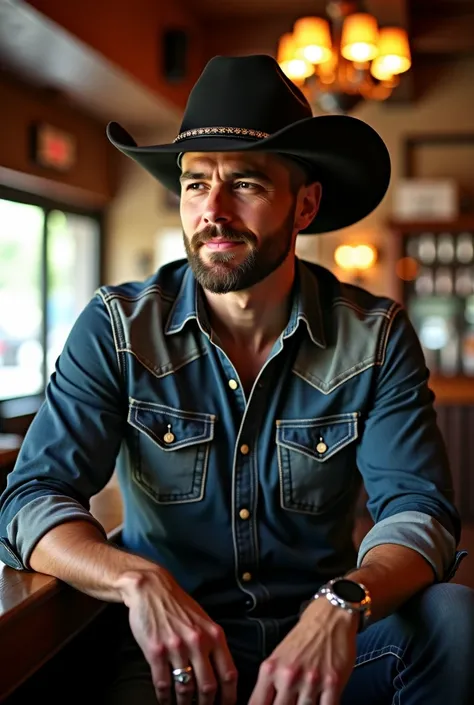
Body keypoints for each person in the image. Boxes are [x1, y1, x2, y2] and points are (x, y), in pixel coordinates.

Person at [0, 53, 472, 705]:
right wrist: (140, 582)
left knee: (454, 619)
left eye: (244, 183)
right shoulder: (117, 327)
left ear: (304, 205)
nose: (212, 211)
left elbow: (421, 514)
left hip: (327, 640)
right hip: (172, 655)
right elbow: (29, 498)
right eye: (195, 184)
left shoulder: (376, 336)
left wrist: (341, 603)